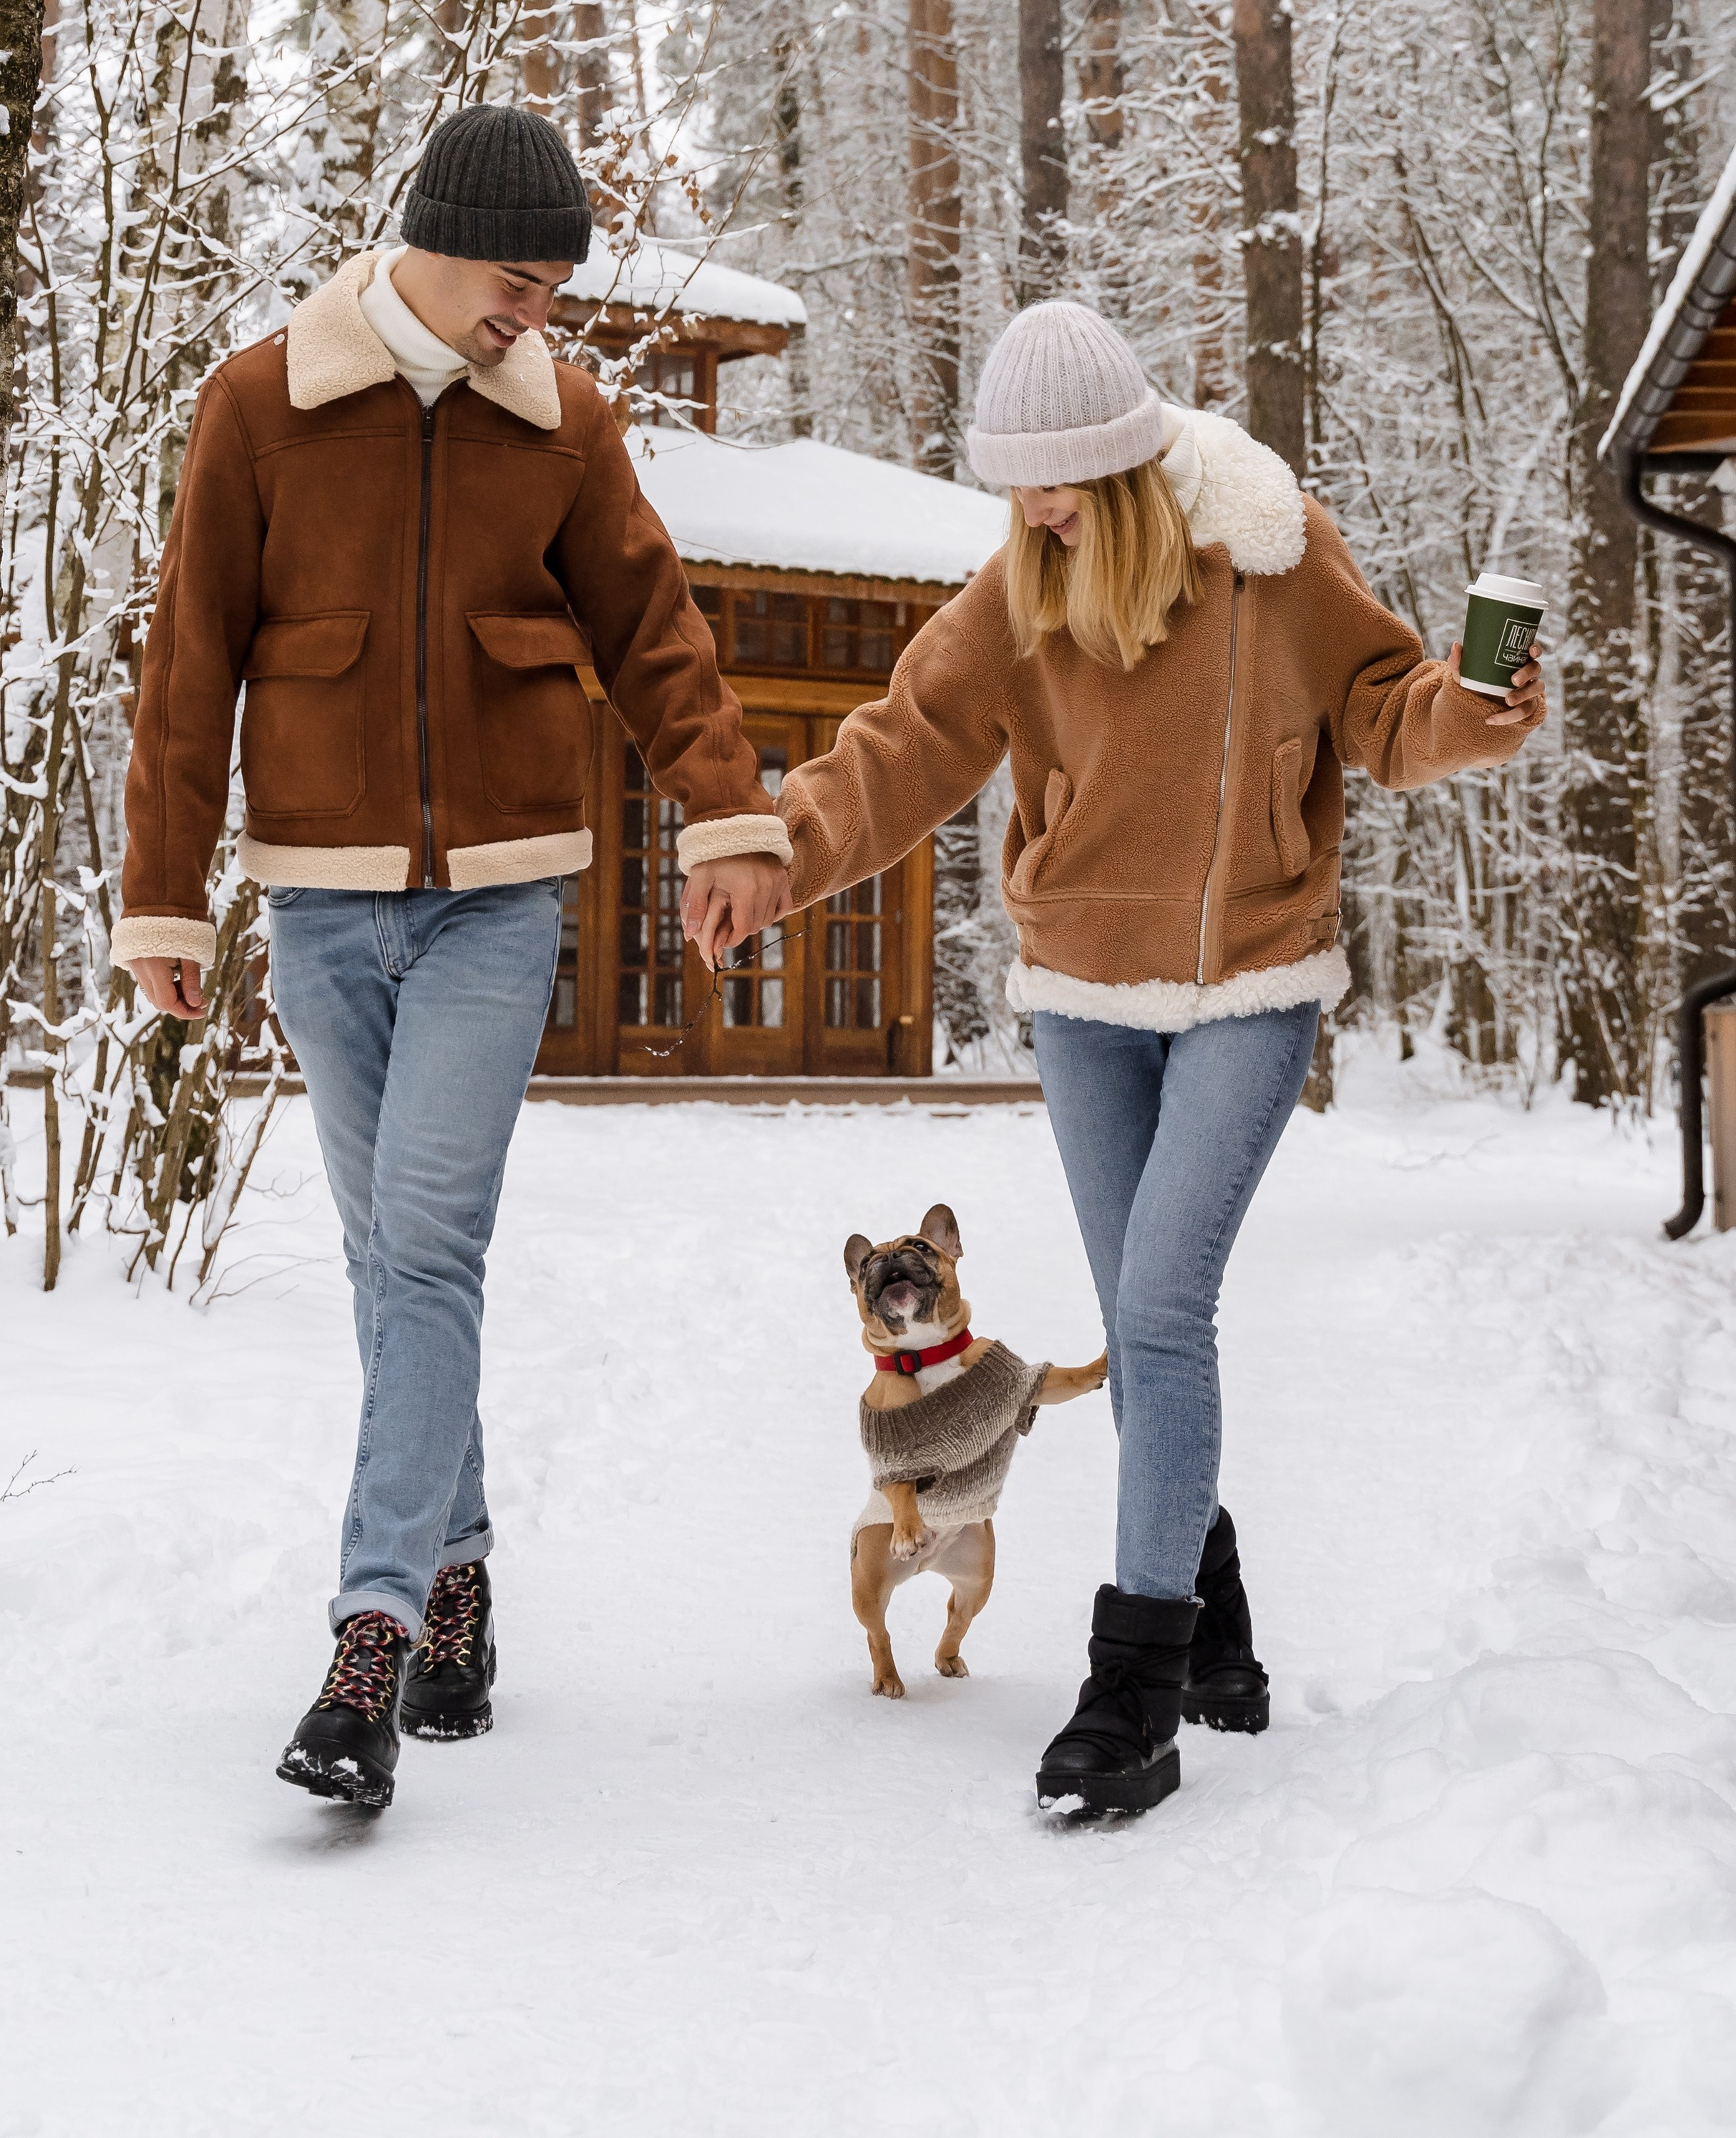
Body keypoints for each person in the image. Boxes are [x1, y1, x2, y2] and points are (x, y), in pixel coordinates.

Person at [689, 299, 1544, 1818]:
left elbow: (1382, 704)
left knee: (1158, 1311)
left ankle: (1131, 1683)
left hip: (1250, 979)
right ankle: (1208, 1604)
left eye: (1062, 481)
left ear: (1132, 464)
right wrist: (781, 848)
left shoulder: (1270, 553)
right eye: (1014, 482)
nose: (1036, 508)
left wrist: (1467, 718)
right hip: (1083, 995)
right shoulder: (1015, 591)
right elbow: (901, 744)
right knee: (1143, 1321)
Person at [112, 104, 789, 1809]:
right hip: (323, 902)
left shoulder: (564, 419)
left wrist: (725, 815)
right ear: (431, 240)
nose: (536, 316)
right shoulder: (261, 405)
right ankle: (465, 1579)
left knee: (422, 1247)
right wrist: (164, 895)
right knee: (385, 1263)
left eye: (556, 290)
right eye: (516, 280)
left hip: (501, 896)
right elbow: (190, 665)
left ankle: (369, 1638)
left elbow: (655, 632)